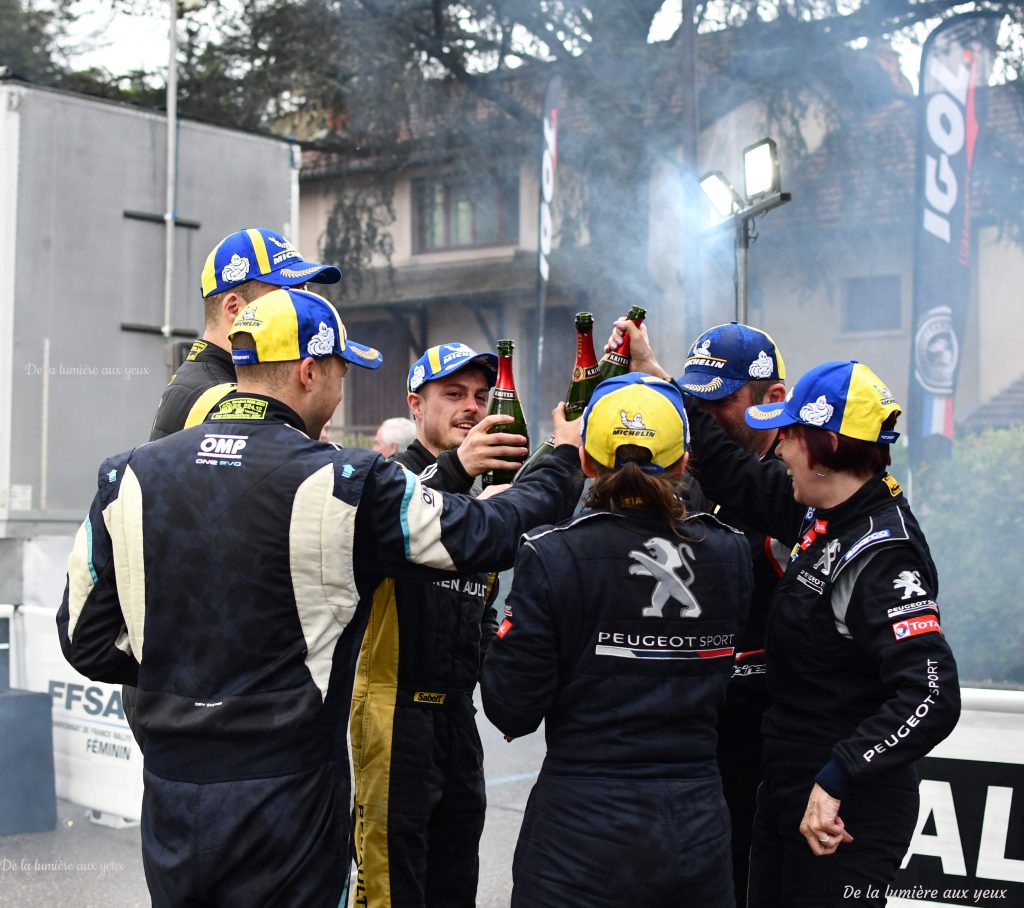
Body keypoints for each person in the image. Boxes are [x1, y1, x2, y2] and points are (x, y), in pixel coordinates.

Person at [56, 288, 583, 908]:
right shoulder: (348, 479)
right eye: (340, 370)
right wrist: (563, 457)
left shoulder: (126, 474)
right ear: (309, 371)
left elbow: (84, 639)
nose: (341, 386)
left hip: (174, 790)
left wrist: (185, 677)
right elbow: (487, 533)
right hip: (289, 791)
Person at [620, 343, 960, 906]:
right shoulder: (824, 511)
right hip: (788, 789)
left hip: (843, 813)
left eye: (790, 435)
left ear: (824, 448)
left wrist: (838, 777)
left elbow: (931, 693)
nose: (778, 447)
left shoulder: (880, 551)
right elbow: (735, 472)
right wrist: (663, 383)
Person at [481, 372, 753, 908]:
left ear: (586, 462)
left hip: (580, 832)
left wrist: (484, 625)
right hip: (697, 827)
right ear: (682, 461)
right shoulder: (731, 551)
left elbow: (512, 708)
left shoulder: (551, 552)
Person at [613, 319, 789, 905]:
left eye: (724, 400)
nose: (709, 416)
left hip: (774, 741)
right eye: (700, 399)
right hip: (694, 742)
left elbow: (749, 486)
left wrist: (670, 390)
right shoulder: (699, 469)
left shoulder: (801, 473)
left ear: (774, 400)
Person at [351, 342, 532, 908]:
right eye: (452, 395)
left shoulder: (481, 500)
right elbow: (410, 506)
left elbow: (482, 611)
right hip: (391, 716)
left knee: (456, 883)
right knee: (389, 890)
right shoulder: (382, 480)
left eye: (481, 396)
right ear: (415, 405)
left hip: (456, 719)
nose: (471, 409)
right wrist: (459, 471)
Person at [149, 226, 341, 440]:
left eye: (303, 290)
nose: (300, 306)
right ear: (233, 308)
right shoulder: (228, 401)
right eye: (285, 294)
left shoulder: (204, 380)